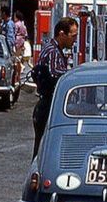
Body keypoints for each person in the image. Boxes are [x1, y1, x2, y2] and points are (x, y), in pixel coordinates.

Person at [32, 17, 78, 158]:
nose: (74, 40)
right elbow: (55, 78)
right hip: (48, 106)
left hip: (47, 105)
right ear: (62, 34)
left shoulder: (54, 50)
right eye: (73, 35)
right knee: (45, 150)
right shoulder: (53, 52)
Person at [13, 10, 28, 81]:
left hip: (17, 42)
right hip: (22, 42)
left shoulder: (16, 24)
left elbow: (14, 33)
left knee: (16, 59)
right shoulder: (23, 25)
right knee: (19, 58)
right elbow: (26, 35)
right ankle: (18, 74)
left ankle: (16, 74)